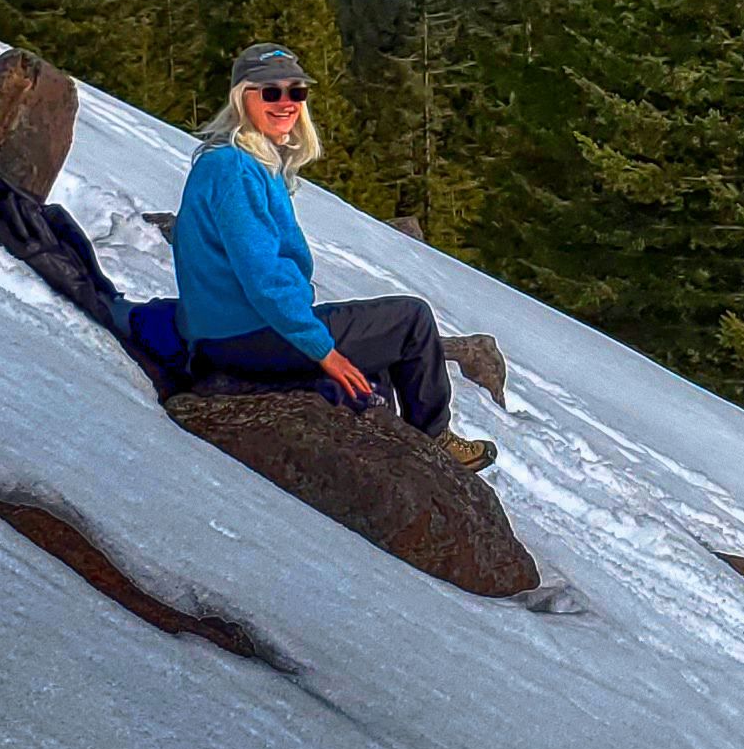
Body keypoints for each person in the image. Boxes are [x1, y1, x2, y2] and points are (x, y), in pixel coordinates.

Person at [174, 42, 502, 471]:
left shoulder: (241, 163)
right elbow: (264, 279)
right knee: (410, 322)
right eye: (270, 92)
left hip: (227, 332)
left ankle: (399, 444)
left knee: (378, 349)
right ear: (242, 97)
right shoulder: (235, 169)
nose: (286, 102)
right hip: (246, 335)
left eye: (296, 92)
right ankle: (434, 441)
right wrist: (323, 351)